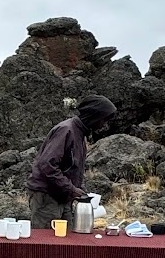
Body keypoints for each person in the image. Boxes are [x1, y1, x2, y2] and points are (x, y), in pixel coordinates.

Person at [25, 95, 117, 225]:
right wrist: (71, 189)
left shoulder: (80, 134)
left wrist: (77, 190)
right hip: (47, 197)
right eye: (103, 120)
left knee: (67, 241)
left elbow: (70, 168)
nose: (104, 125)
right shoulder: (66, 130)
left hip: (63, 196)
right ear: (94, 115)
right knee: (46, 242)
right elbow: (47, 165)